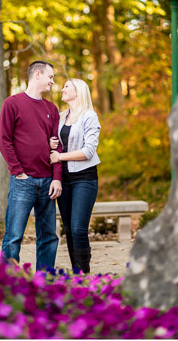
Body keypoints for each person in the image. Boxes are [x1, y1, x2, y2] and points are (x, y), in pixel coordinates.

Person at [0, 60, 63, 270]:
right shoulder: (12, 103)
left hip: (47, 182)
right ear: (37, 74)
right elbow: (4, 140)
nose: (53, 82)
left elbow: (57, 147)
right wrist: (18, 172)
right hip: (23, 182)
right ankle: (9, 284)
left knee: (49, 237)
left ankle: (44, 283)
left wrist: (56, 177)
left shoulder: (51, 108)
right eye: (50, 77)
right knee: (13, 236)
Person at [49, 78, 101, 274]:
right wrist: (52, 144)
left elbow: (88, 151)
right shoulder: (61, 117)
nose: (62, 89)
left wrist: (59, 156)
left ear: (78, 92)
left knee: (79, 229)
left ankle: (84, 275)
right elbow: (57, 144)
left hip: (84, 179)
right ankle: (76, 273)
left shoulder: (89, 116)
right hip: (65, 179)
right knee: (69, 229)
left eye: (66, 87)